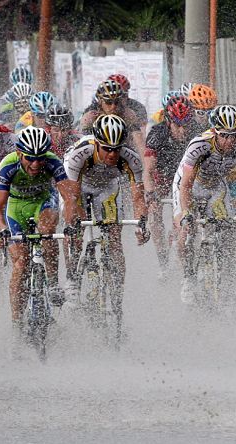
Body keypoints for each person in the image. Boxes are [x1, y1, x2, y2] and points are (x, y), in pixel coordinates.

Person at [0, 125, 81, 329]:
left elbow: (69, 198)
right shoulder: (8, 165)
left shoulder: (52, 162)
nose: (35, 163)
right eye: (29, 158)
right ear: (18, 153)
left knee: (47, 229)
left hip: (42, 201)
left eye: (40, 158)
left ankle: (52, 283)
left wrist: (69, 225)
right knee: (21, 264)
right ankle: (16, 323)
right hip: (16, 208)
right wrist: (2, 230)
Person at [63, 114, 149, 308]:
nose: (112, 154)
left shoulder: (130, 158)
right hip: (80, 184)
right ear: (97, 143)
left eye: (116, 149)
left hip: (107, 186)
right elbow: (72, 198)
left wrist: (141, 224)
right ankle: (71, 278)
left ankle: (117, 295)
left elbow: (138, 197)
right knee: (76, 231)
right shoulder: (80, 154)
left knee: (115, 238)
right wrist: (73, 222)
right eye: (107, 149)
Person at [175, 104, 236, 304]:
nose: (229, 141)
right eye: (224, 135)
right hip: (189, 184)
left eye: (234, 135)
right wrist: (186, 212)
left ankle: (227, 276)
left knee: (228, 226)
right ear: (215, 131)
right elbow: (186, 185)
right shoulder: (200, 145)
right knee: (185, 230)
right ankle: (188, 277)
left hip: (217, 184)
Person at [144, 95, 198, 278]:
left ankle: (188, 250)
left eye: (186, 124)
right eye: (177, 125)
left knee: (188, 214)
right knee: (154, 212)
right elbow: (148, 171)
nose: (182, 130)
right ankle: (163, 260)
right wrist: (150, 193)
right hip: (163, 178)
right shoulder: (157, 133)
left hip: (186, 177)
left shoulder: (197, 132)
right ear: (168, 121)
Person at [79, 80, 146, 160]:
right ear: (100, 101)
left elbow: (139, 141)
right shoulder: (91, 115)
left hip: (121, 151)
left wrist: (144, 163)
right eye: (109, 102)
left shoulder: (128, 114)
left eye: (117, 102)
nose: (113, 106)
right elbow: (83, 144)